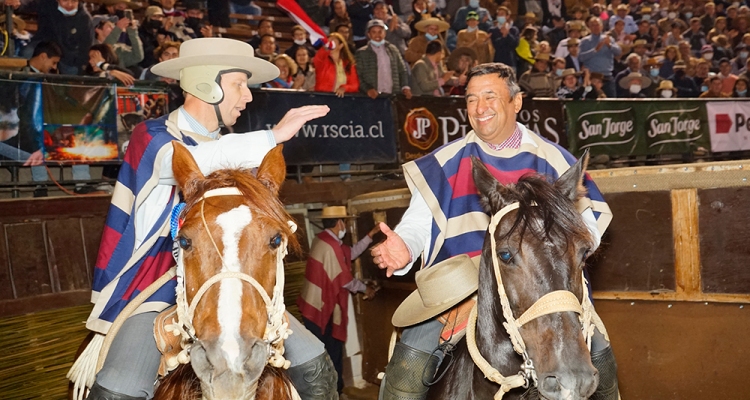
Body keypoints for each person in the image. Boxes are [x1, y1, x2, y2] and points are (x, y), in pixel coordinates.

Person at [73, 37, 336, 400]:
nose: (247, 97)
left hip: (229, 282)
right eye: (239, 85)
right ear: (205, 84)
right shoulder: (151, 138)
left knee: (316, 367)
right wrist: (272, 136)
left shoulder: (237, 148)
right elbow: (188, 161)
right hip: (156, 287)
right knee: (119, 388)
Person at [371, 62, 617, 400]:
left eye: (490, 97)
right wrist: (405, 249)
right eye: (472, 100)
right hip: (459, 291)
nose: (479, 108)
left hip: (542, 290)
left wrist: (563, 241)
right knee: (406, 371)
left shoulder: (554, 158)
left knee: (602, 362)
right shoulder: (446, 161)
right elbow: (417, 222)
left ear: (516, 102)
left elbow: (587, 227)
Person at [297, 206, 380, 395]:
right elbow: (345, 279)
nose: (346, 225)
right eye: (345, 221)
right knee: (330, 352)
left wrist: (371, 234)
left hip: (314, 305)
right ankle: (334, 392)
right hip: (321, 309)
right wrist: (365, 288)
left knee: (322, 351)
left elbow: (350, 253)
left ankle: (329, 392)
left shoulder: (323, 240)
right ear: (339, 223)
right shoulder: (331, 245)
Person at [24, 0, 94, 75]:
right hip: (43, 44)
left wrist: (77, 63)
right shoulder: (47, 4)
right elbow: (29, 4)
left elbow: (86, 48)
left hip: (67, 55)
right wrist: (18, 3)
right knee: (27, 53)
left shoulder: (85, 20)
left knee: (72, 71)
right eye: (65, 0)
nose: (69, 4)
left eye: (74, 1)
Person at [355, 19, 412, 99]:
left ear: (384, 33)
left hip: (392, 96)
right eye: (374, 32)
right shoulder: (361, 53)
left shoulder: (393, 49)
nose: (377, 35)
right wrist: (367, 89)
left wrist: (405, 87)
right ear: (369, 34)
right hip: (372, 97)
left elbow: (402, 70)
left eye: (380, 31)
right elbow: (358, 75)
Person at [579, 17, 622, 97]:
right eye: (593, 25)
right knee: (591, 102)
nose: (596, 27)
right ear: (589, 27)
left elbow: (618, 52)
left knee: (611, 103)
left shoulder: (609, 39)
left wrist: (610, 46)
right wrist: (595, 50)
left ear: (602, 26)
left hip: (607, 76)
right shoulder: (584, 41)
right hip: (592, 77)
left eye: (597, 25)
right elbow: (581, 58)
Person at [313, 33, 360, 97]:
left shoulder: (348, 64)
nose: (329, 43)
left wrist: (344, 88)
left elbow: (355, 85)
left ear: (340, 45)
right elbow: (318, 58)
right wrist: (325, 47)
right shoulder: (322, 60)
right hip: (323, 98)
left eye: (332, 40)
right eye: (328, 41)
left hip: (341, 100)